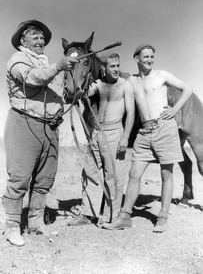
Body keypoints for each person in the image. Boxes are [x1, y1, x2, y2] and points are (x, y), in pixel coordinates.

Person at [2, 19, 78, 247]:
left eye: (42, 37)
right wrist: (58, 67)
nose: (40, 40)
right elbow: (32, 79)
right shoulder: (18, 60)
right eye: (34, 36)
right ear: (22, 41)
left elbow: (56, 91)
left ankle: (35, 224)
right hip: (25, 124)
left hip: (50, 127)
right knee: (20, 179)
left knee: (44, 179)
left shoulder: (46, 64)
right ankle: (12, 227)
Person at [103, 44, 193, 232]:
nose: (150, 60)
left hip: (164, 128)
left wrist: (175, 109)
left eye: (152, 57)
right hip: (144, 132)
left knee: (166, 173)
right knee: (134, 173)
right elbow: (110, 77)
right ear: (137, 59)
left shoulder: (161, 75)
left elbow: (187, 89)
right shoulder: (131, 82)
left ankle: (162, 218)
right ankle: (124, 216)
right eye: (146, 57)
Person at [67, 52, 135, 226]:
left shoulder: (125, 85)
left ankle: (111, 217)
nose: (116, 69)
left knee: (113, 175)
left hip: (114, 132)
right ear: (104, 68)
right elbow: (82, 92)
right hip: (97, 132)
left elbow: (131, 113)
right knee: (90, 171)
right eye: (112, 66)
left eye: (118, 66)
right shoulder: (99, 84)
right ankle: (89, 214)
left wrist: (125, 137)